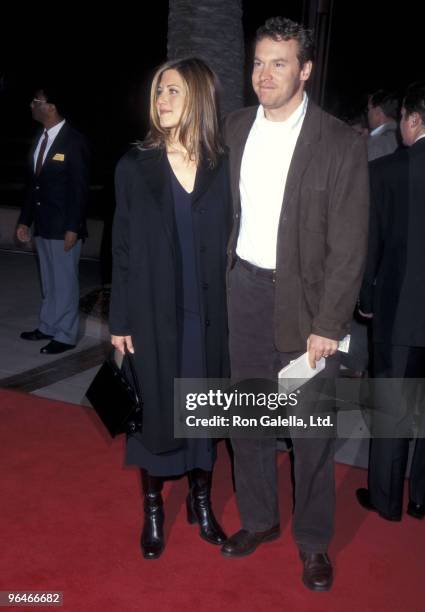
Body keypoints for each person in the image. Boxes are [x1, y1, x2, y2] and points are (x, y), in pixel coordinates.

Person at [222, 17, 369, 591]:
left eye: (279, 63)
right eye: (259, 61)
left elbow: (350, 243)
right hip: (244, 295)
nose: (265, 74)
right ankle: (259, 519)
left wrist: (330, 322)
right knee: (247, 420)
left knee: (310, 430)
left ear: (304, 70)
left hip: (308, 306)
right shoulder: (232, 128)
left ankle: (313, 541)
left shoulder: (338, 142)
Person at [109, 58, 231, 559]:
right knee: (156, 414)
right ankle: (154, 509)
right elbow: (120, 249)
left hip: (208, 319)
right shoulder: (133, 166)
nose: (161, 99)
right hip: (153, 315)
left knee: (204, 416)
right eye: (159, 90)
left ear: (198, 97)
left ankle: (202, 503)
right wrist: (119, 321)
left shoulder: (223, 165)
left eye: (174, 91)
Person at [357, 82, 425, 522]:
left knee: (393, 408)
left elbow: (371, 246)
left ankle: (386, 501)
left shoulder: (387, 172)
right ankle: (421, 499)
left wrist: (365, 301)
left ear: (413, 118)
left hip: (400, 314)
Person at [17, 85, 90, 354]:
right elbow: (33, 185)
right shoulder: (41, 138)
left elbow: (79, 189)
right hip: (43, 224)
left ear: (51, 107)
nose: (32, 105)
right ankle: (48, 326)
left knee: (65, 282)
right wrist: (25, 221)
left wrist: (73, 227)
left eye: (36, 101)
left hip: (64, 227)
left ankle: (66, 334)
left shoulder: (74, 141)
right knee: (49, 280)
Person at [367, 89, 400, 161]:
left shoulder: (376, 143)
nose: (368, 114)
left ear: (377, 112)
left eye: (369, 109)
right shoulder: (403, 137)